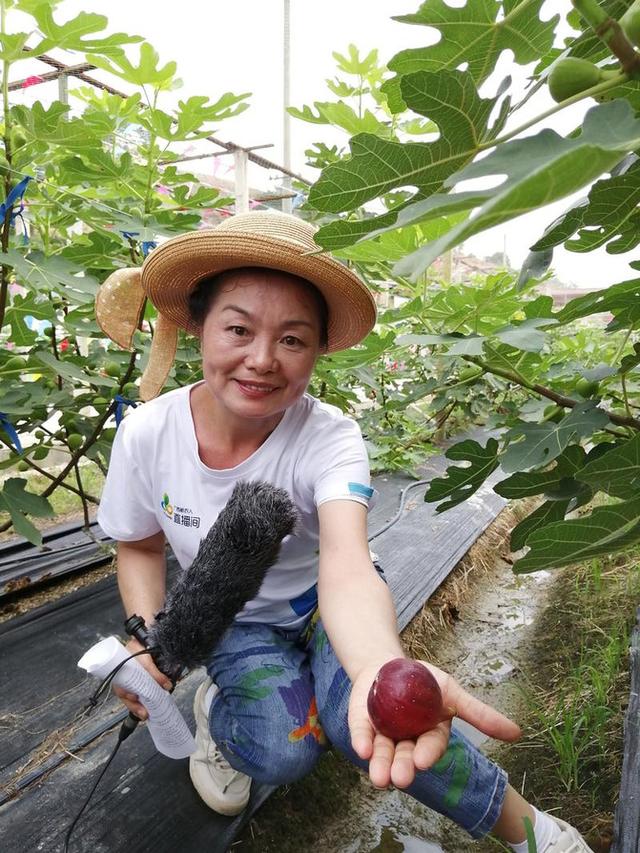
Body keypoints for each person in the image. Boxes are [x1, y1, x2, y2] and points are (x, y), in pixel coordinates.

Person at [95, 211, 593, 853]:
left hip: (323, 604)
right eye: (238, 329)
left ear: (320, 348)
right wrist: (145, 636)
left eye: (293, 340)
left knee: (372, 721)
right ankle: (222, 721)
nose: (262, 360)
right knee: (282, 752)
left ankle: (536, 834)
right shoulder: (147, 433)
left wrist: (381, 670)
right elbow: (137, 543)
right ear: (199, 327)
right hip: (231, 614)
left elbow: (348, 564)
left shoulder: (328, 437)